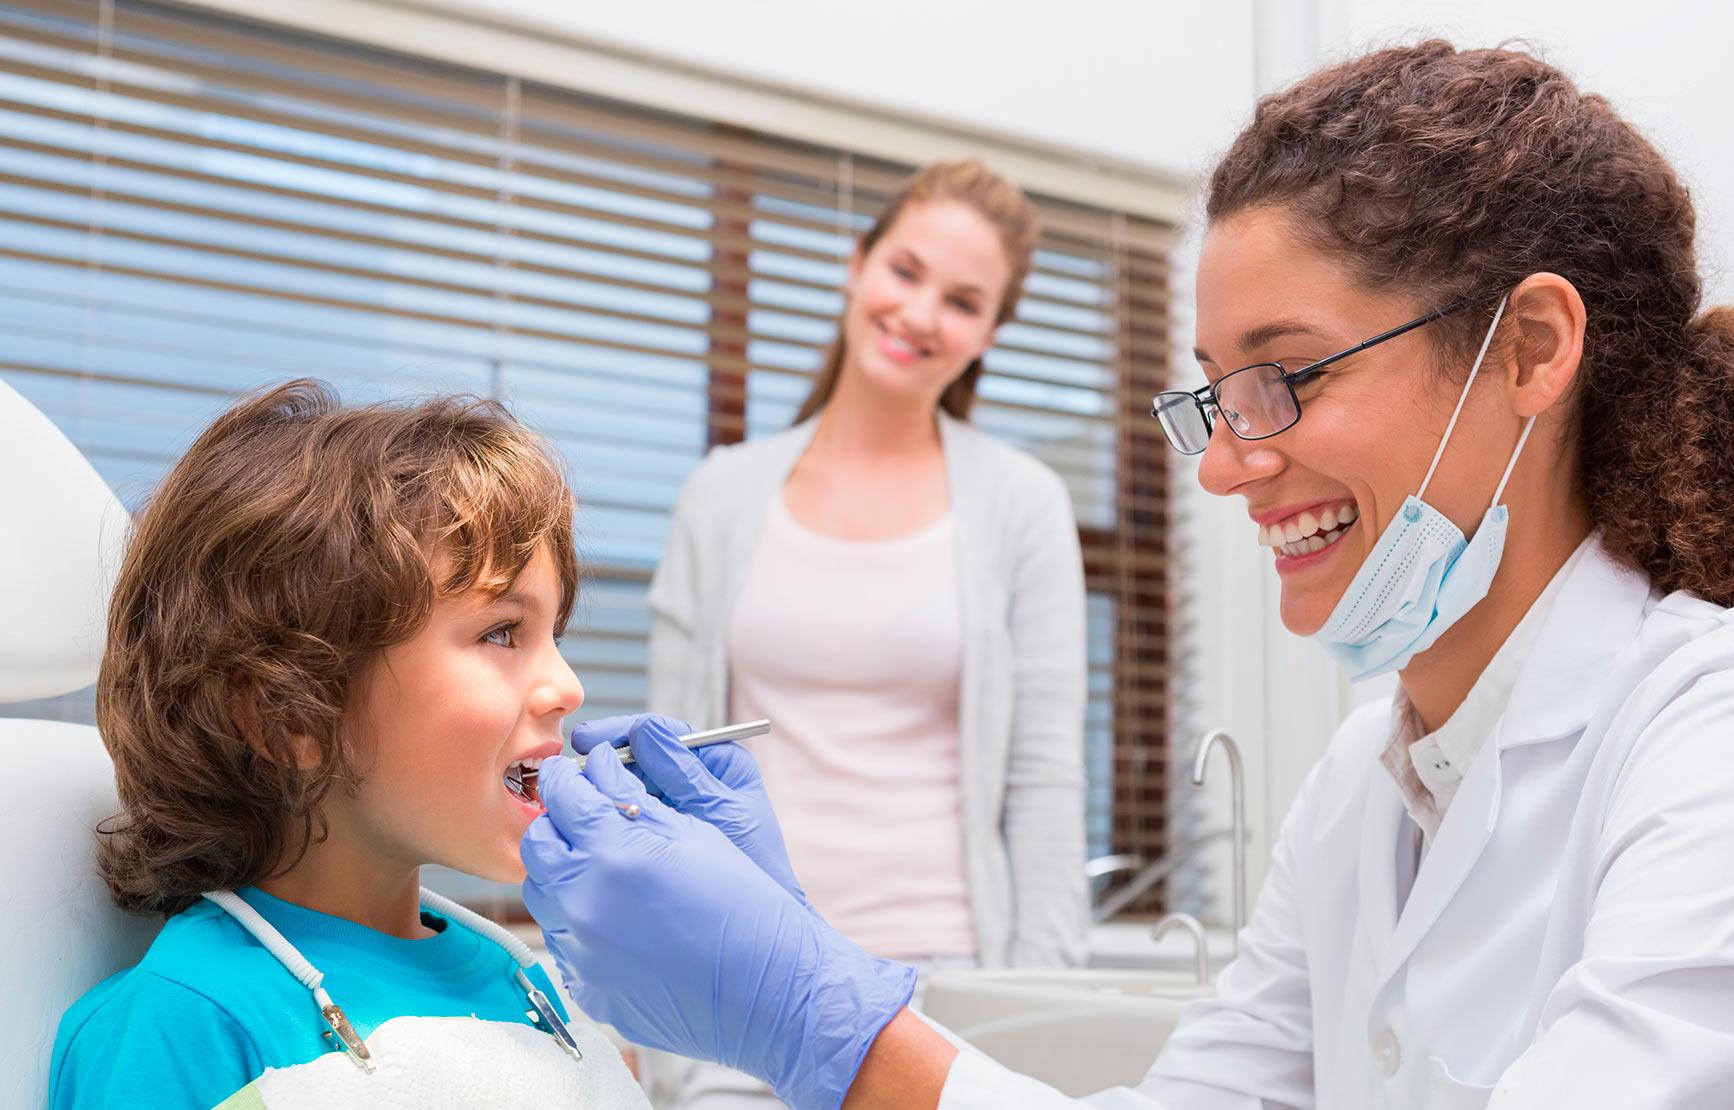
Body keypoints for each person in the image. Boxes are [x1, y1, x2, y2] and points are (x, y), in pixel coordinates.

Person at [520, 41, 1734, 1110]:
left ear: (1529, 349)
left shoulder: (1699, 735)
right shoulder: (1360, 793)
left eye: (1288, 377)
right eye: (1216, 394)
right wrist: (801, 1000)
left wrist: (818, 1021)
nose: (1225, 469)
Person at [51, 382, 647, 1109]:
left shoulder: (524, 985)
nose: (567, 687)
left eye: (555, 635)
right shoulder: (186, 1024)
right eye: (501, 633)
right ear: (287, 716)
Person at [642, 157, 1088, 1106]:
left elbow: (1046, 778)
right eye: (905, 271)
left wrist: (1046, 1015)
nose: (922, 314)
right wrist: (669, 1027)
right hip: (747, 977)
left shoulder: (1023, 505)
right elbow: (667, 765)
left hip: (948, 991)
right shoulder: (721, 495)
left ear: (990, 336)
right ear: (856, 265)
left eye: (964, 301)